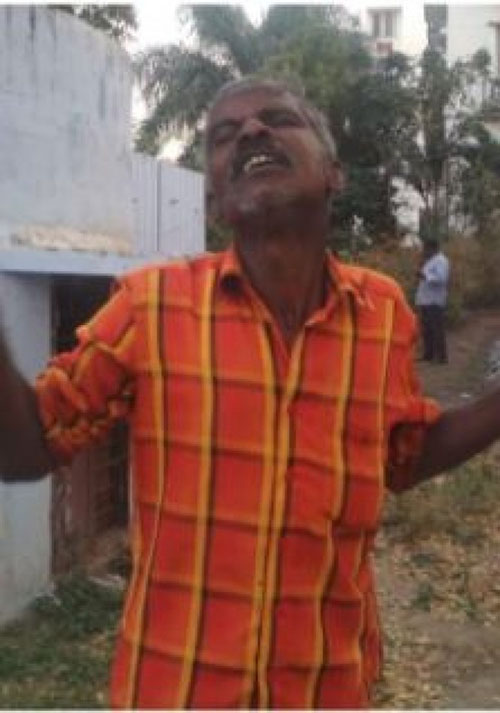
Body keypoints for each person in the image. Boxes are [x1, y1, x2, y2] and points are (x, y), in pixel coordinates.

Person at [1, 76, 500, 709]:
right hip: (177, 691)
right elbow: (26, 448)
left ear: (334, 174)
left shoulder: (382, 312)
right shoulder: (149, 307)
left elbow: (401, 455)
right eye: (225, 134)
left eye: (277, 119)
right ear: (214, 199)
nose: (252, 131)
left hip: (329, 688)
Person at [415, 238, 450, 364]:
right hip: (426, 300)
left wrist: (425, 276)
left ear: (433, 248)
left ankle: (441, 357)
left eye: (426, 249)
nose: (424, 251)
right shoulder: (430, 260)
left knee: (436, 329)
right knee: (427, 329)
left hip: (435, 301)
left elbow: (442, 279)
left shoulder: (441, 260)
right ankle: (428, 354)